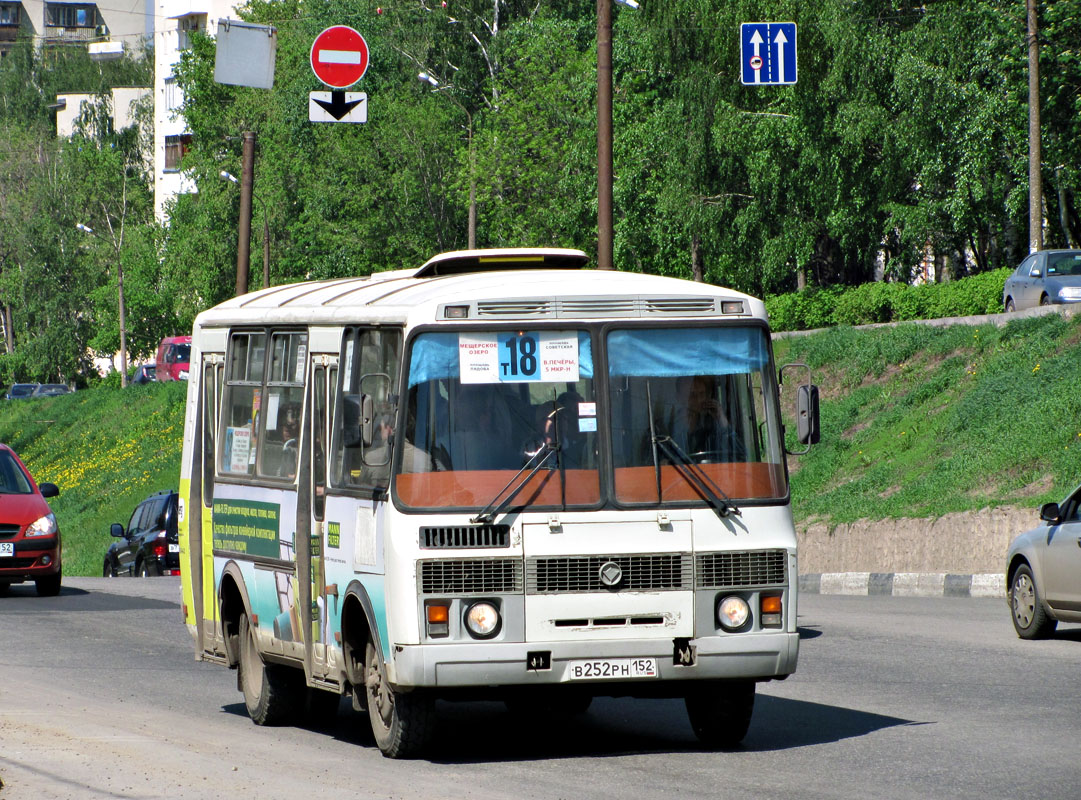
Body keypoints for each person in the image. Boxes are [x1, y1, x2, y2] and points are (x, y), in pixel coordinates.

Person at [670, 375, 745, 461]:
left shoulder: (714, 426)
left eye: (702, 394)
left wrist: (723, 422)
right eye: (692, 395)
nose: (698, 400)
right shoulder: (666, 427)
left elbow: (741, 456)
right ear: (678, 397)